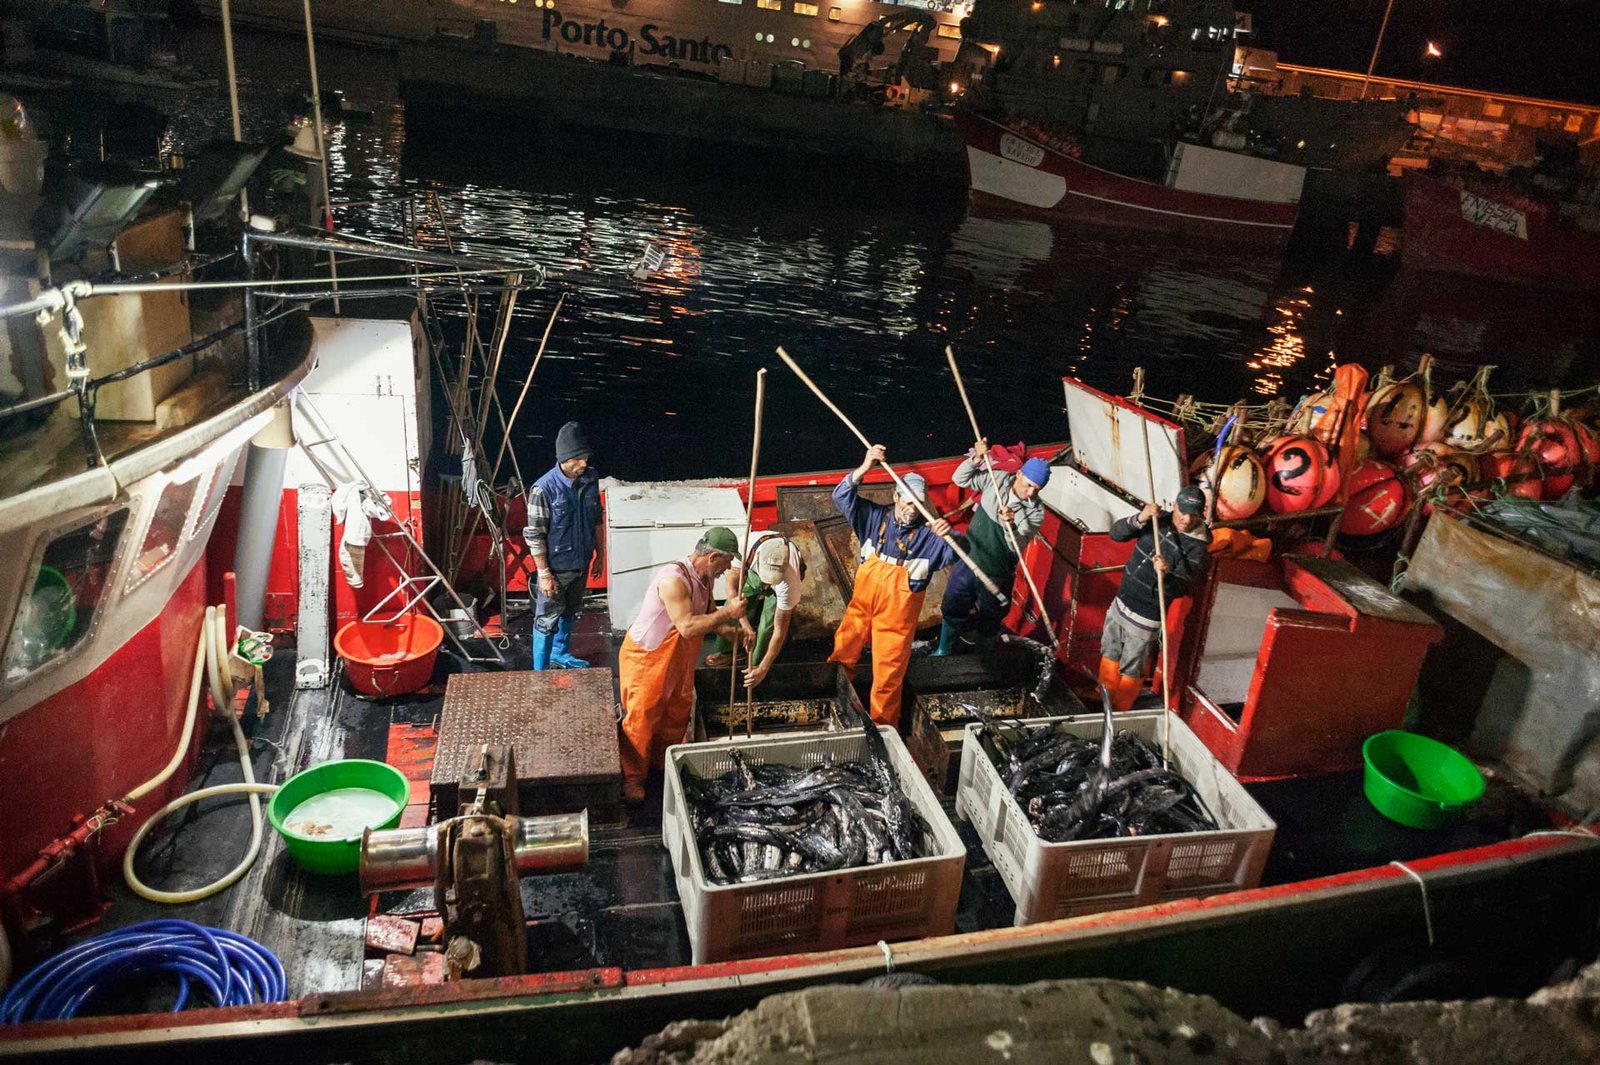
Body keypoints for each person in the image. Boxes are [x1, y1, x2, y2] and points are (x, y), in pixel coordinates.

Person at [830, 444, 956, 728]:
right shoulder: (873, 517)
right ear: (895, 496)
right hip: (861, 607)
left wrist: (950, 535)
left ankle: (884, 731)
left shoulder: (931, 537)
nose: (912, 509)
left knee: (888, 678)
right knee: (843, 653)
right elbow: (840, 495)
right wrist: (865, 467)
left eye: (918, 504)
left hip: (896, 621)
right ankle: (835, 708)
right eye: (907, 501)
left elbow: (963, 554)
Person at [617, 528, 747, 802]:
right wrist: (729, 611)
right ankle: (632, 778)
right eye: (726, 562)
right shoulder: (673, 580)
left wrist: (729, 632)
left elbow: (708, 613)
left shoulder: (704, 579)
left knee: (676, 712)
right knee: (642, 717)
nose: (728, 568)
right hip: (647, 659)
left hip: (679, 660)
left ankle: (662, 764)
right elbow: (687, 626)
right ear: (713, 557)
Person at [1101, 485, 1212, 712]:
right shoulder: (1157, 519)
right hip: (1122, 598)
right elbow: (1116, 534)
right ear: (1174, 506)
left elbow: (1183, 584)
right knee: (1110, 649)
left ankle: (1120, 708)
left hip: (1147, 613)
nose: (1187, 519)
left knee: (1132, 663)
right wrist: (1140, 518)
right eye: (1183, 512)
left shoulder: (1198, 546)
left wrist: (1168, 571)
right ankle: (1104, 695)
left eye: (1194, 514)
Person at [934, 442, 1051, 656]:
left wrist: (1011, 525)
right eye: (1028, 484)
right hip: (969, 559)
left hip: (997, 571)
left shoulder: (1036, 513)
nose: (1031, 492)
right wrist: (976, 459)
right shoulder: (996, 480)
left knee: (991, 615)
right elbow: (959, 479)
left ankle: (984, 655)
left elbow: (1014, 545)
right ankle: (944, 648)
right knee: (952, 604)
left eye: (1037, 488)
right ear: (1018, 474)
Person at [524, 421, 604, 670]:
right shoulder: (543, 489)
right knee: (546, 619)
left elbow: (597, 519)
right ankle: (540, 668)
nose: (584, 463)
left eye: (585, 457)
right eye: (578, 458)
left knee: (570, 611)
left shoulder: (590, 478)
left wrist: (600, 555)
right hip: (556, 570)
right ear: (564, 459)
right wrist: (544, 574)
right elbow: (535, 535)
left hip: (581, 562)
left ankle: (560, 653)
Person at [705, 534, 806, 691]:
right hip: (752, 571)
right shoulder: (745, 547)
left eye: (771, 581)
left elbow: (780, 630)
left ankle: (756, 663)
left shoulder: (790, 581)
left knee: (769, 625)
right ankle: (729, 651)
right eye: (766, 579)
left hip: (781, 583)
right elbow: (732, 591)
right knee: (730, 608)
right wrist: (746, 627)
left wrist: (764, 668)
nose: (766, 586)